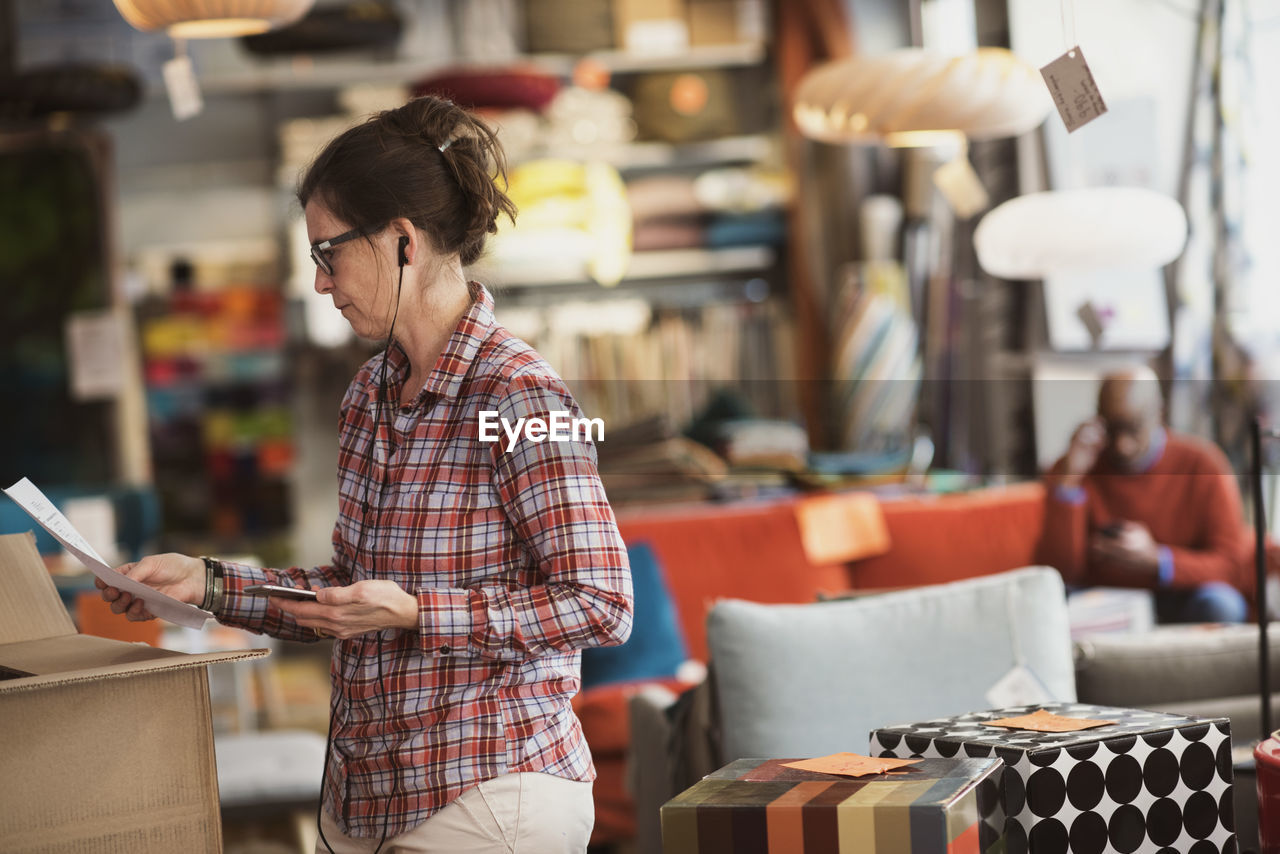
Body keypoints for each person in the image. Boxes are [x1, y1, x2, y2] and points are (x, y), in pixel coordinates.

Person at [97, 95, 634, 853]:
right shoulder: (369, 393)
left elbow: (601, 603)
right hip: (370, 798)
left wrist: (418, 612)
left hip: (489, 792)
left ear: (403, 242)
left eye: (328, 252)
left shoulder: (518, 393)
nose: (320, 281)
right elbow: (351, 591)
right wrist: (208, 584)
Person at [1036, 364, 1252, 624]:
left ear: (1159, 414)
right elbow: (1058, 573)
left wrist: (1157, 560)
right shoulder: (1076, 464)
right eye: (1111, 428)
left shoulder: (1203, 464)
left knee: (1221, 604)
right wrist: (1069, 483)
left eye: (1133, 427)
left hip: (1178, 595)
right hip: (1103, 599)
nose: (1121, 445)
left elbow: (1230, 565)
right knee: (1050, 606)